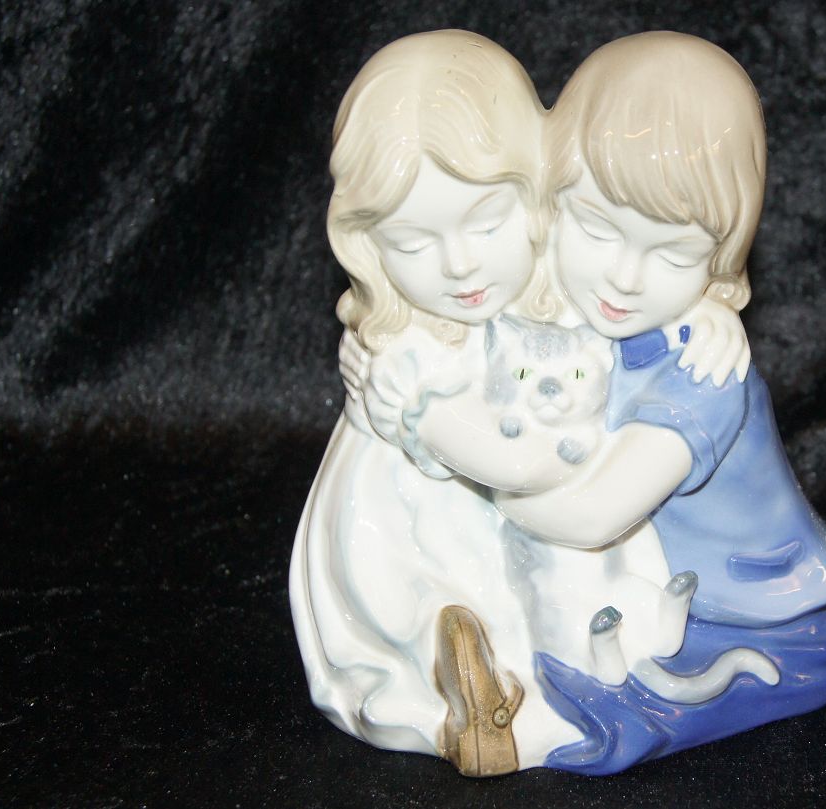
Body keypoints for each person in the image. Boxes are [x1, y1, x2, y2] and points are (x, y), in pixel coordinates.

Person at [492, 32, 826, 774]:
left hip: (761, 624)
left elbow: (592, 514)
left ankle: (537, 731)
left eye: (674, 253)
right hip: (653, 596)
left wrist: (470, 465)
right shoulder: (601, 322)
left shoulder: (703, 372)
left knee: (629, 697)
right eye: (597, 228)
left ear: (721, 260)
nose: (624, 278)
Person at [287, 30, 580, 774]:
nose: (459, 265)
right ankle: (447, 666)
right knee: (382, 547)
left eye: (486, 223)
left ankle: (468, 673)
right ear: (367, 246)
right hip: (421, 506)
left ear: (537, 193)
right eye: (414, 244)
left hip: (534, 487)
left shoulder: (570, 305)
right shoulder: (398, 338)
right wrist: (380, 392)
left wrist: (710, 307)